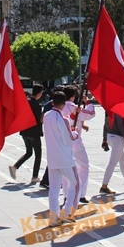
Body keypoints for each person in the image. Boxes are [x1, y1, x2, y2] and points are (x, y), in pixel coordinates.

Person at [43, 91, 79, 225]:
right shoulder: (62, 119)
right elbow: (69, 139)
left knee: (54, 189)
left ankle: (53, 217)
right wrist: (75, 132)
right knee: (74, 183)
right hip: (65, 158)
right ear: (64, 104)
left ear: (53, 102)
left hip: (52, 158)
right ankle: (66, 211)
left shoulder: (47, 116)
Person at [9, 85, 44, 183]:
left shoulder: (26, 102)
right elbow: (39, 120)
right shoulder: (37, 105)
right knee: (38, 155)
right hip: (34, 132)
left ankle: (15, 167)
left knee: (29, 152)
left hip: (25, 131)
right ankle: (35, 176)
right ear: (39, 93)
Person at [100, 112, 124, 194]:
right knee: (112, 163)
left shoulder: (108, 110)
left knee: (122, 162)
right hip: (118, 138)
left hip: (109, 136)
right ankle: (104, 186)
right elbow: (121, 126)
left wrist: (104, 139)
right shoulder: (118, 111)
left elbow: (105, 125)